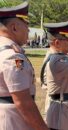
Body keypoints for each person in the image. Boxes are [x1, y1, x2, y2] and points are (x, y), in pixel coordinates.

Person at [0, 2, 49, 130]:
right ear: (14, 27)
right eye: (26, 24)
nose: (28, 29)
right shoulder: (13, 57)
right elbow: (23, 102)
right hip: (14, 122)